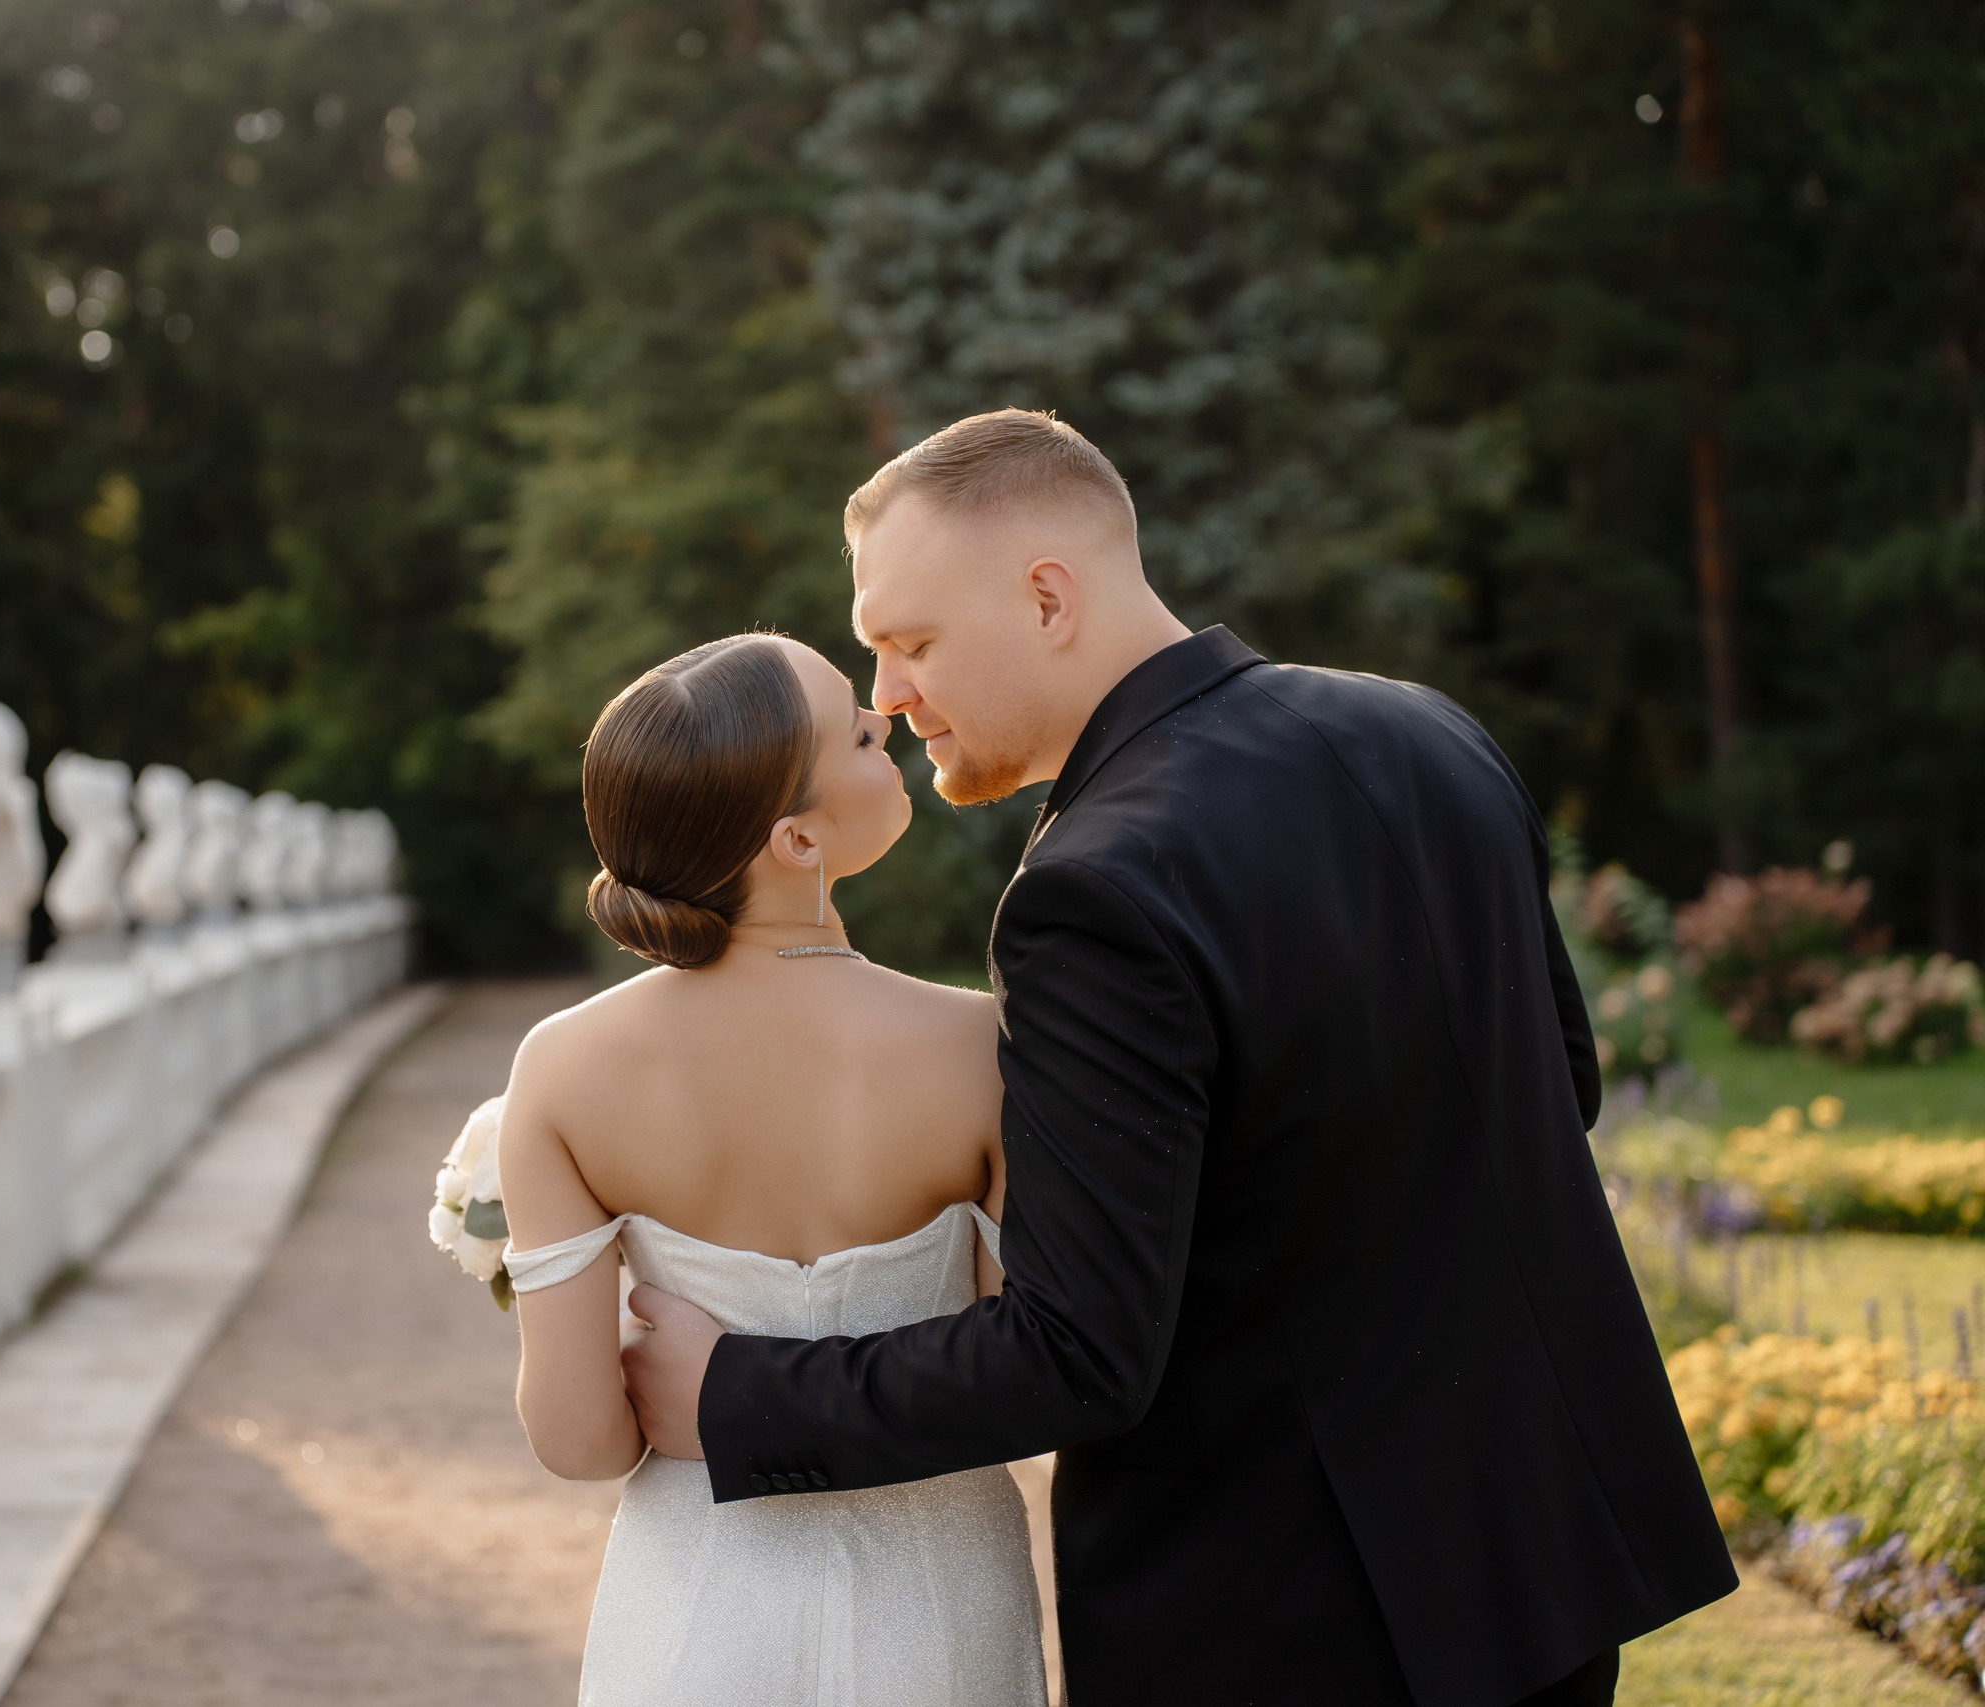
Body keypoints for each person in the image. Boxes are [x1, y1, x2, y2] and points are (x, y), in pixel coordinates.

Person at [617, 409, 1736, 1706]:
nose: (889, 696)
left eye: (911, 642)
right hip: (1541, 1563)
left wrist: (744, 1391)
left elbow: (1078, 1349)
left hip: (1280, 1615)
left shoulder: (1094, 887)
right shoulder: (1429, 733)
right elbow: (1560, 1080)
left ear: (1046, 597)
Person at [497, 633, 1047, 1706]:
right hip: (938, 1611)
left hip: (697, 1613)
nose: (884, 720)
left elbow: (578, 1442)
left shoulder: (562, 1069)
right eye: (852, 729)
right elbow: (1016, 1365)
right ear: (795, 837)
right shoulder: (985, 1049)